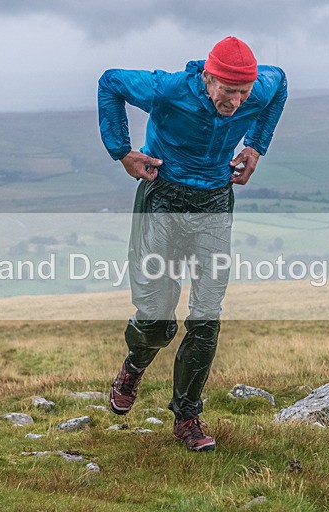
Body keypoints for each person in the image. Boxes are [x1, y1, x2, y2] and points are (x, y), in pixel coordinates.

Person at [97, 36, 287, 451]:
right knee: (156, 319)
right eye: (228, 90)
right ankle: (135, 364)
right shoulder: (168, 89)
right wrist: (121, 152)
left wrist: (256, 145)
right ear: (207, 78)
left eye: (244, 92)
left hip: (214, 201)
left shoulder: (262, 86)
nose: (236, 101)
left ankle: (187, 418)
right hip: (163, 196)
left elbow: (280, 84)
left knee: (206, 315)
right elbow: (110, 82)